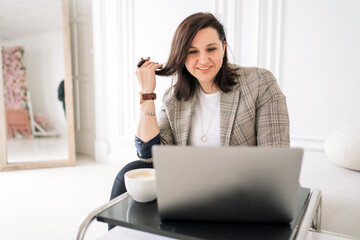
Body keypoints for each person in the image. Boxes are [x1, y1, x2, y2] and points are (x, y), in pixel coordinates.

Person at [110, 12, 289, 203]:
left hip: (242, 188)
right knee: (128, 173)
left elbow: (275, 159)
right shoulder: (174, 97)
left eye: (211, 49)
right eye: (192, 51)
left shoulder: (259, 83)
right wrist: (147, 93)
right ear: (182, 56)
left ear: (223, 48)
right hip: (189, 187)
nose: (203, 60)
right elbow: (150, 156)